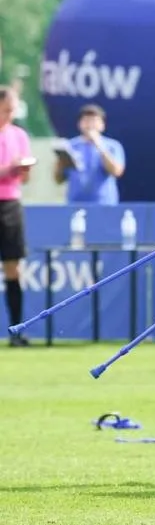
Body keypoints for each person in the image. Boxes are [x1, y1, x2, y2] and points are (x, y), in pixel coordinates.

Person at [0, 86, 34, 347]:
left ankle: (16, 330)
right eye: (6, 109)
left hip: (11, 202)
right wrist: (9, 167)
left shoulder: (19, 135)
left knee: (13, 267)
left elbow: (24, 176)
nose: (10, 114)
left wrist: (22, 169)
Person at [53, 104, 125, 205]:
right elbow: (58, 179)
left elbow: (116, 171)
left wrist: (99, 145)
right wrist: (61, 160)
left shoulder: (113, 146)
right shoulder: (70, 146)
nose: (90, 124)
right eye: (86, 120)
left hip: (104, 204)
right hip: (75, 204)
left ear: (102, 125)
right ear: (79, 124)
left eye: (94, 121)